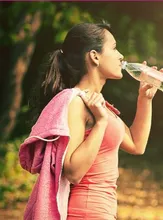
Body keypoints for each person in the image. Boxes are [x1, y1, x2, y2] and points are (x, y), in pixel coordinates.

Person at [19, 21, 162, 220]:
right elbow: (73, 172)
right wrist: (101, 124)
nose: (121, 55)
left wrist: (144, 100)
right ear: (94, 56)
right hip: (84, 213)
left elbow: (137, 145)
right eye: (113, 48)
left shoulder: (100, 106)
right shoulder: (77, 102)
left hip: (103, 212)